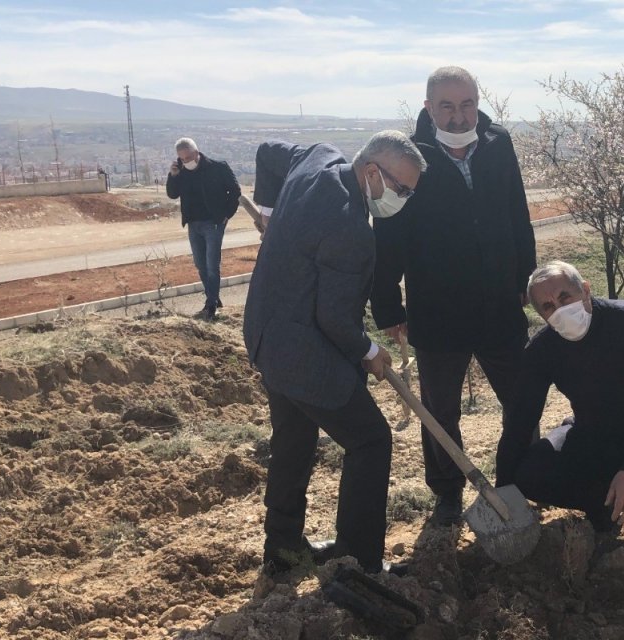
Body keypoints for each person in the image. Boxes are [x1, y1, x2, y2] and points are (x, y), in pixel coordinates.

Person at [243, 131, 426, 577]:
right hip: (303, 351)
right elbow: (335, 321)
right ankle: (359, 558)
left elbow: (267, 152)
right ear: (370, 172)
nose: (404, 199)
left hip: (266, 333)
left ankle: (283, 549)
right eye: (401, 189)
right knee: (370, 440)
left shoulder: (318, 159)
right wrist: (369, 352)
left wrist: (266, 209)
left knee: (294, 440)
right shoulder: (350, 229)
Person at [371, 66, 537, 525]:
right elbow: (388, 236)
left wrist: (526, 279)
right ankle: (446, 494)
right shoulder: (408, 157)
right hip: (437, 310)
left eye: (467, 104)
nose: (460, 116)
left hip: (500, 304)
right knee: (440, 412)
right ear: (428, 108)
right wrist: (388, 307)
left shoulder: (498, 145)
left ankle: (519, 480)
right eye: (447, 105)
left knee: (522, 401)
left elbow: (516, 213)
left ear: (478, 102)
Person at [495, 261, 624, 563]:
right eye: (548, 306)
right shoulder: (542, 350)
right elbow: (520, 420)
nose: (559, 309)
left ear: (585, 291)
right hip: (591, 432)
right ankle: (603, 512)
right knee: (530, 472)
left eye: (564, 297)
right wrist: (503, 492)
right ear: (540, 315)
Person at [166, 137, 241, 320]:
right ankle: (214, 298)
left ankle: (210, 305)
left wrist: (226, 215)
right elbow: (172, 194)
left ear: (196, 152)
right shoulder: (181, 172)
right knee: (200, 264)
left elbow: (235, 191)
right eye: (182, 159)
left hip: (213, 223)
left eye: (188, 157)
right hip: (193, 224)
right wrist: (173, 176)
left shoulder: (218, 167)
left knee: (212, 265)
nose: (186, 161)